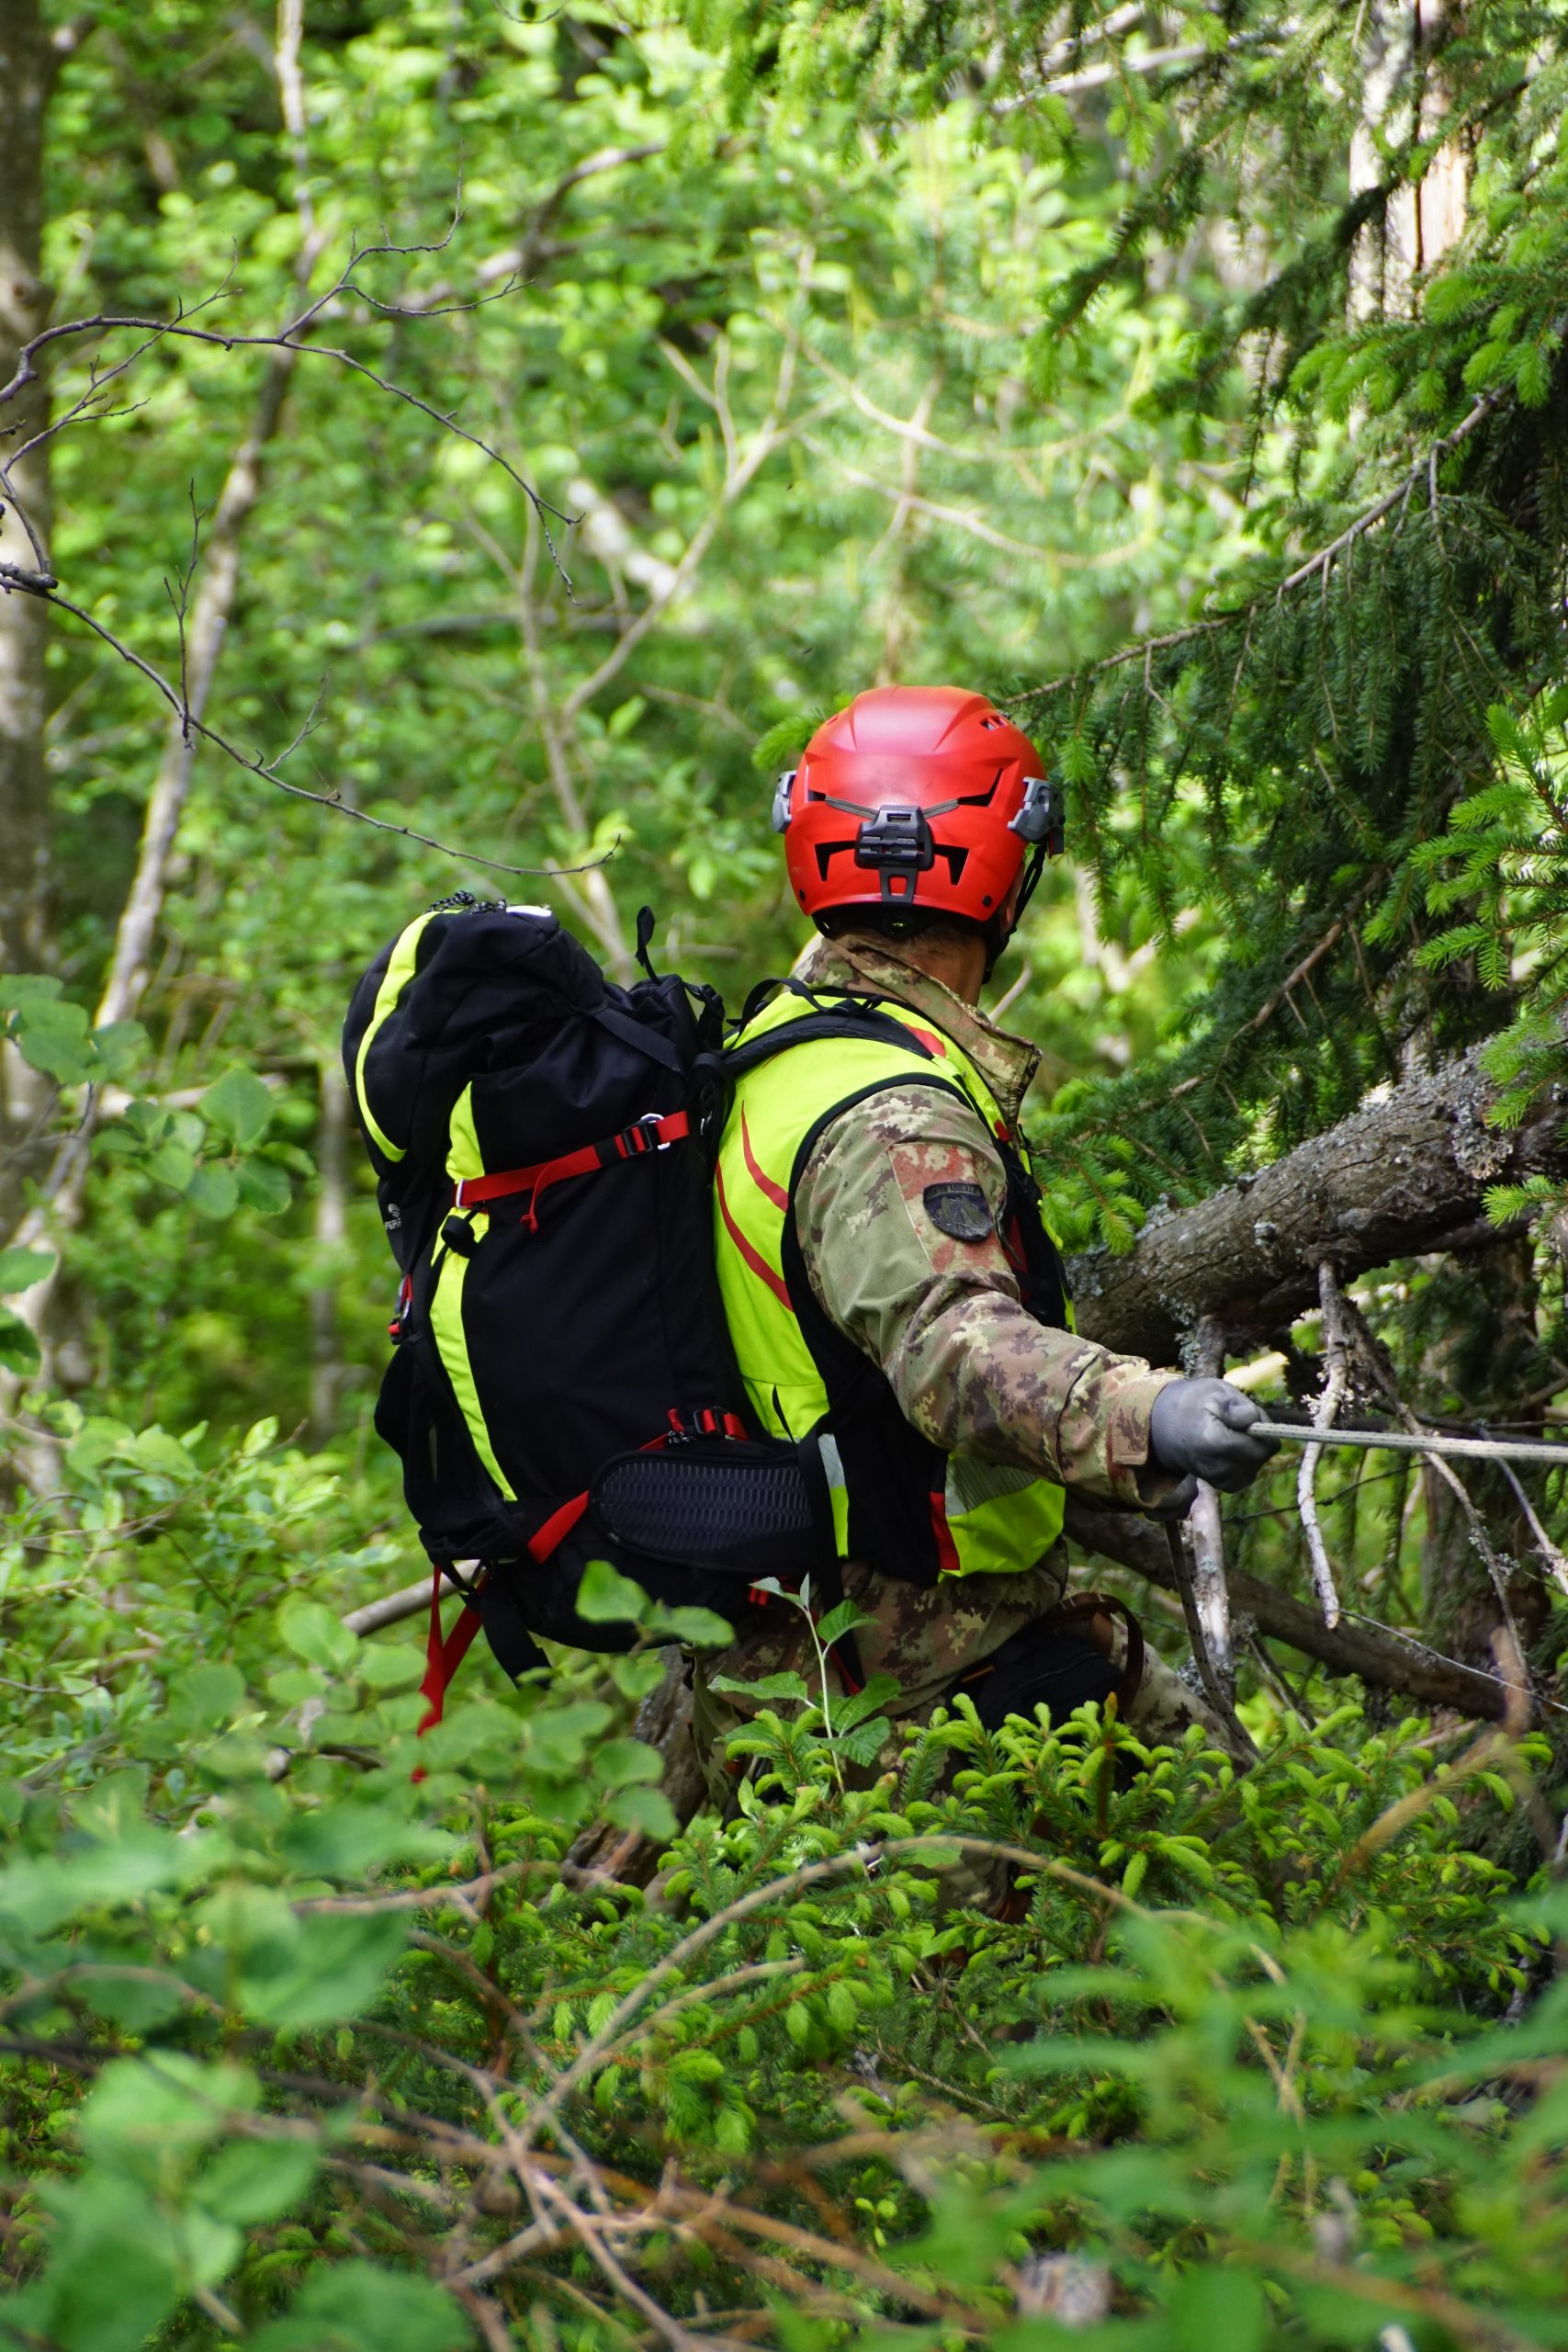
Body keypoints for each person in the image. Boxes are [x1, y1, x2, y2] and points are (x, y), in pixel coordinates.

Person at [694, 684, 1278, 1804]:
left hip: (802, 1636)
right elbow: (951, 1351)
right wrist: (1146, 1412)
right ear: (1004, 874)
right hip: (917, 1670)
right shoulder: (894, 1112)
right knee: (1247, 1894)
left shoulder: (774, 1052)